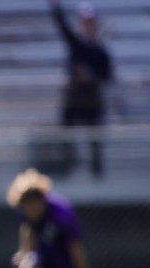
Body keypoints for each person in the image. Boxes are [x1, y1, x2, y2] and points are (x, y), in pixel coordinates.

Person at [48, 0, 112, 177]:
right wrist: (55, 6)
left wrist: (90, 77)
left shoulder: (101, 51)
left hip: (92, 100)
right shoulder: (76, 44)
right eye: (84, 22)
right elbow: (62, 26)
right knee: (66, 133)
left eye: (90, 22)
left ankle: (96, 172)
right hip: (74, 98)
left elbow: (107, 76)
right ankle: (67, 167)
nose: (87, 25)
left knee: (95, 138)